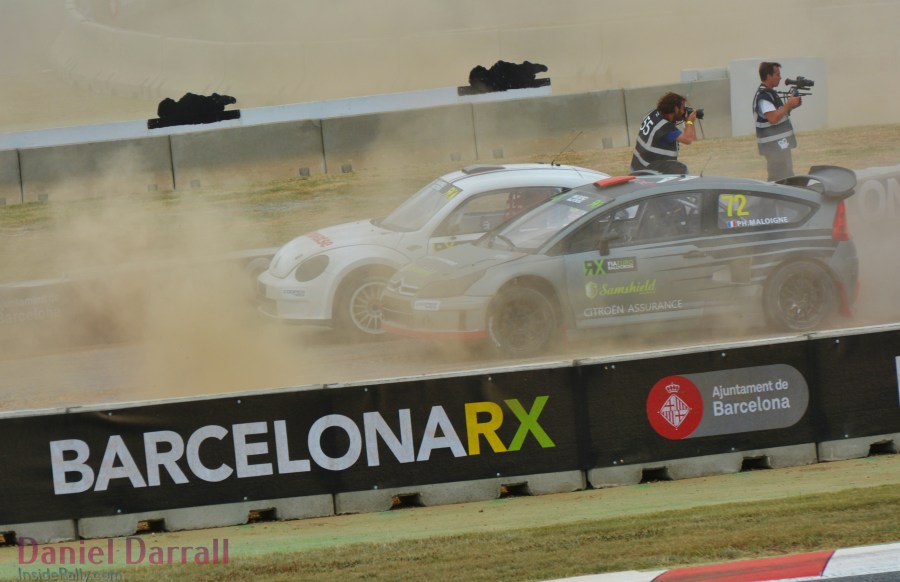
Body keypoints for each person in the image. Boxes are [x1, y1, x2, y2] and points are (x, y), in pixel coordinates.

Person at [753, 61, 802, 181]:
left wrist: (791, 106)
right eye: (777, 74)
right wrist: (788, 105)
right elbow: (773, 118)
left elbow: (779, 114)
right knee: (778, 179)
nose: (780, 77)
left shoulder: (770, 93)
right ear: (768, 76)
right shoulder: (764, 96)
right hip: (774, 147)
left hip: (779, 145)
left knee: (787, 176)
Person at [630, 92, 697, 173]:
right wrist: (690, 122)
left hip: (637, 166)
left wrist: (685, 121)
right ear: (676, 108)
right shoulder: (665, 127)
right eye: (682, 108)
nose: (684, 111)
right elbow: (688, 139)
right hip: (649, 171)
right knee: (682, 170)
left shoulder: (653, 114)